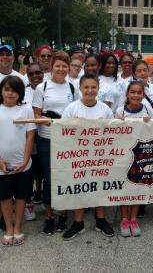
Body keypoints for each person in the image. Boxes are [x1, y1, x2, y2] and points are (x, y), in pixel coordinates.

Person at [61, 74, 115, 240]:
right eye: (86, 87)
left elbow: (114, 132)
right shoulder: (72, 108)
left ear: (98, 89)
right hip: (78, 156)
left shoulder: (105, 110)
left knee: (100, 187)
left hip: (100, 156)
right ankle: (78, 222)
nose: (90, 90)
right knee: (80, 187)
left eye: (93, 87)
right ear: (80, 88)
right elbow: (62, 131)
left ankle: (101, 219)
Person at [32, 51, 80, 235]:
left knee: (65, 177)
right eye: (57, 65)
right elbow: (36, 115)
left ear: (69, 68)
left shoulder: (73, 88)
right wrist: (43, 120)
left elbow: (77, 113)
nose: (61, 69)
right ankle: (50, 216)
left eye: (64, 66)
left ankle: (63, 215)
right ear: (52, 66)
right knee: (49, 179)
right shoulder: (42, 88)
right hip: (47, 139)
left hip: (67, 140)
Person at [116, 80, 153, 237]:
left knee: (138, 186)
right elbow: (116, 134)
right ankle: (124, 219)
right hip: (124, 155)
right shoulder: (120, 111)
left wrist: (149, 124)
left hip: (142, 155)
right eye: (132, 92)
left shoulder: (147, 109)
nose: (136, 95)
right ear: (127, 94)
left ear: (143, 95)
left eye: (139, 92)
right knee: (125, 187)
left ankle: (133, 218)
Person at [0, 76, 36, 246]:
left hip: (23, 164)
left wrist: (25, 159)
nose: (10, 93)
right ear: (1, 91)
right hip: (2, 165)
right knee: (5, 197)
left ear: (20, 93)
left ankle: (18, 227)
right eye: (7, 89)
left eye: (14, 90)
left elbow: (30, 136)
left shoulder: (26, 110)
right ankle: (8, 227)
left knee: (21, 196)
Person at [24, 63, 44, 221]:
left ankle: (42, 194)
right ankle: (28, 202)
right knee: (28, 171)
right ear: (27, 75)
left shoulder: (47, 88)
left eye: (38, 72)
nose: (35, 76)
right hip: (28, 137)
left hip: (45, 135)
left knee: (42, 169)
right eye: (31, 74)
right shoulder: (23, 91)